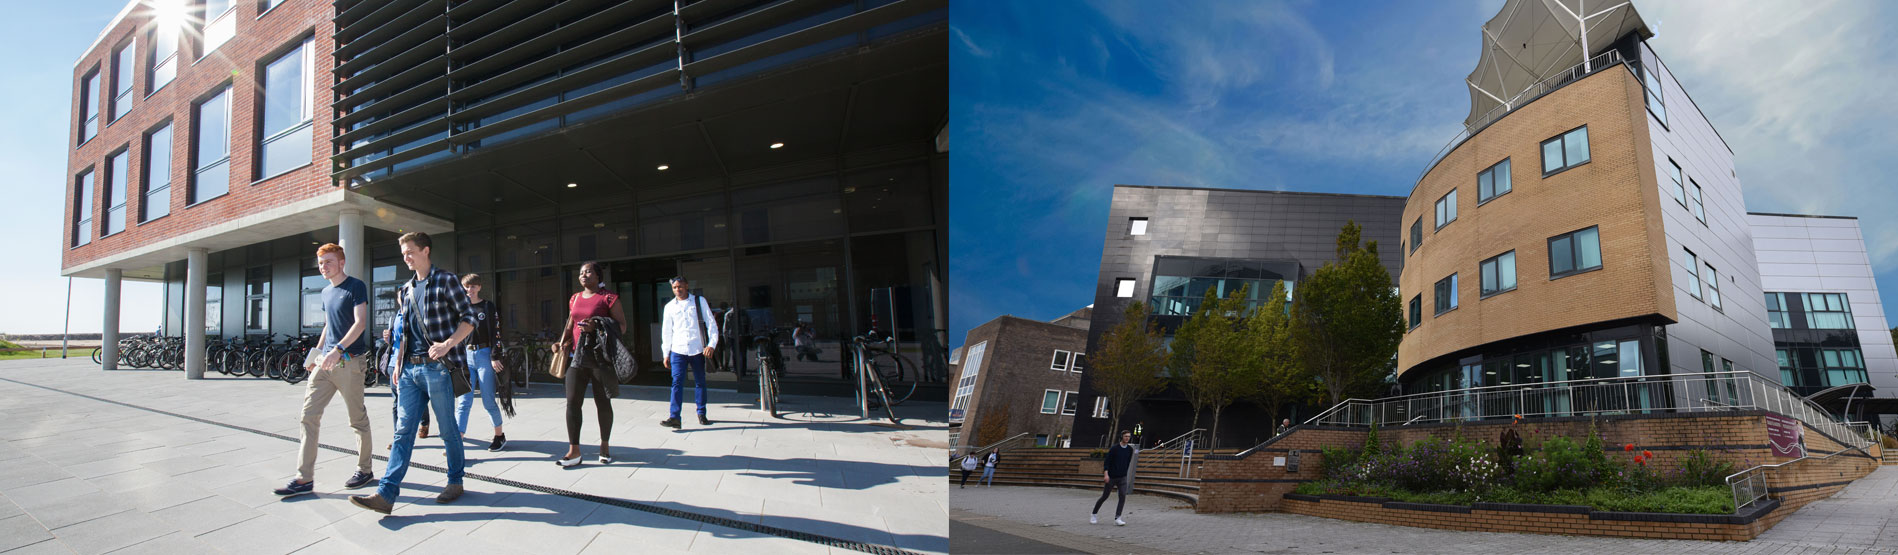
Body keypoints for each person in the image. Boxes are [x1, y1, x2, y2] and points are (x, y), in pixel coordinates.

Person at [351, 232, 477, 515]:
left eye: (410, 252)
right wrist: (397, 364)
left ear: (425, 250)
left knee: (447, 430)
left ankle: (455, 481)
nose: (406, 257)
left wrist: (447, 344)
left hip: (438, 369)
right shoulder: (406, 289)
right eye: (403, 253)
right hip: (409, 370)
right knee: (403, 432)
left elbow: (469, 319)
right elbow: (405, 332)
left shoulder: (446, 280)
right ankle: (386, 494)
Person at [274, 244, 375, 497]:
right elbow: (329, 325)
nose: (323, 267)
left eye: (328, 262)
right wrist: (315, 355)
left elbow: (360, 323)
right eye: (320, 263)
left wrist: (338, 349)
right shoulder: (326, 291)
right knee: (308, 415)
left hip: (349, 361)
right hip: (325, 363)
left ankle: (365, 470)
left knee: (357, 419)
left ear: (341, 262)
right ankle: (303, 478)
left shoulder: (355, 286)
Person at [550, 261, 626, 466]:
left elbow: (622, 327)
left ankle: (604, 446)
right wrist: (561, 341)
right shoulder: (574, 298)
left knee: (603, 402)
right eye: (581, 272)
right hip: (577, 357)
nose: (584, 275)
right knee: (572, 402)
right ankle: (574, 451)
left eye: (588, 272)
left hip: (600, 359)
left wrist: (597, 325)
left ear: (598, 276)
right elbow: (570, 323)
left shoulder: (609, 298)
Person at [455, 273, 507, 452]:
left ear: (479, 287)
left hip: (484, 354)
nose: (470, 290)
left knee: (488, 400)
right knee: (464, 401)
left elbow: (496, 332)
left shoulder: (487, 306)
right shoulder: (460, 308)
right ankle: (458, 438)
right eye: (467, 286)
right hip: (466, 356)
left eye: (473, 286)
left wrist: (495, 356)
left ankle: (499, 435)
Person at [659, 276, 719, 429]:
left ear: (686, 286)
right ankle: (674, 417)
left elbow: (711, 324)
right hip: (678, 350)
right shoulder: (670, 307)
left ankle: (701, 413)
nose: (677, 290)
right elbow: (666, 332)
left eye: (680, 286)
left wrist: (711, 345)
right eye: (674, 287)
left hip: (697, 349)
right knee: (676, 382)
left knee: (700, 381)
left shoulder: (699, 301)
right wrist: (666, 353)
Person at [1092, 430, 1136, 526]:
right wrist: (1106, 474)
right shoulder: (1114, 448)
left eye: (1129, 436)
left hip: (1122, 477)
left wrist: (1124, 473)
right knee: (1105, 496)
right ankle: (1094, 514)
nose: (1127, 438)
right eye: (1125, 436)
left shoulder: (1130, 450)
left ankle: (1118, 518)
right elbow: (1107, 462)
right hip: (1111, 476)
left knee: (1122, 496)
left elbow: (1127, 462)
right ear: (1121, 437)